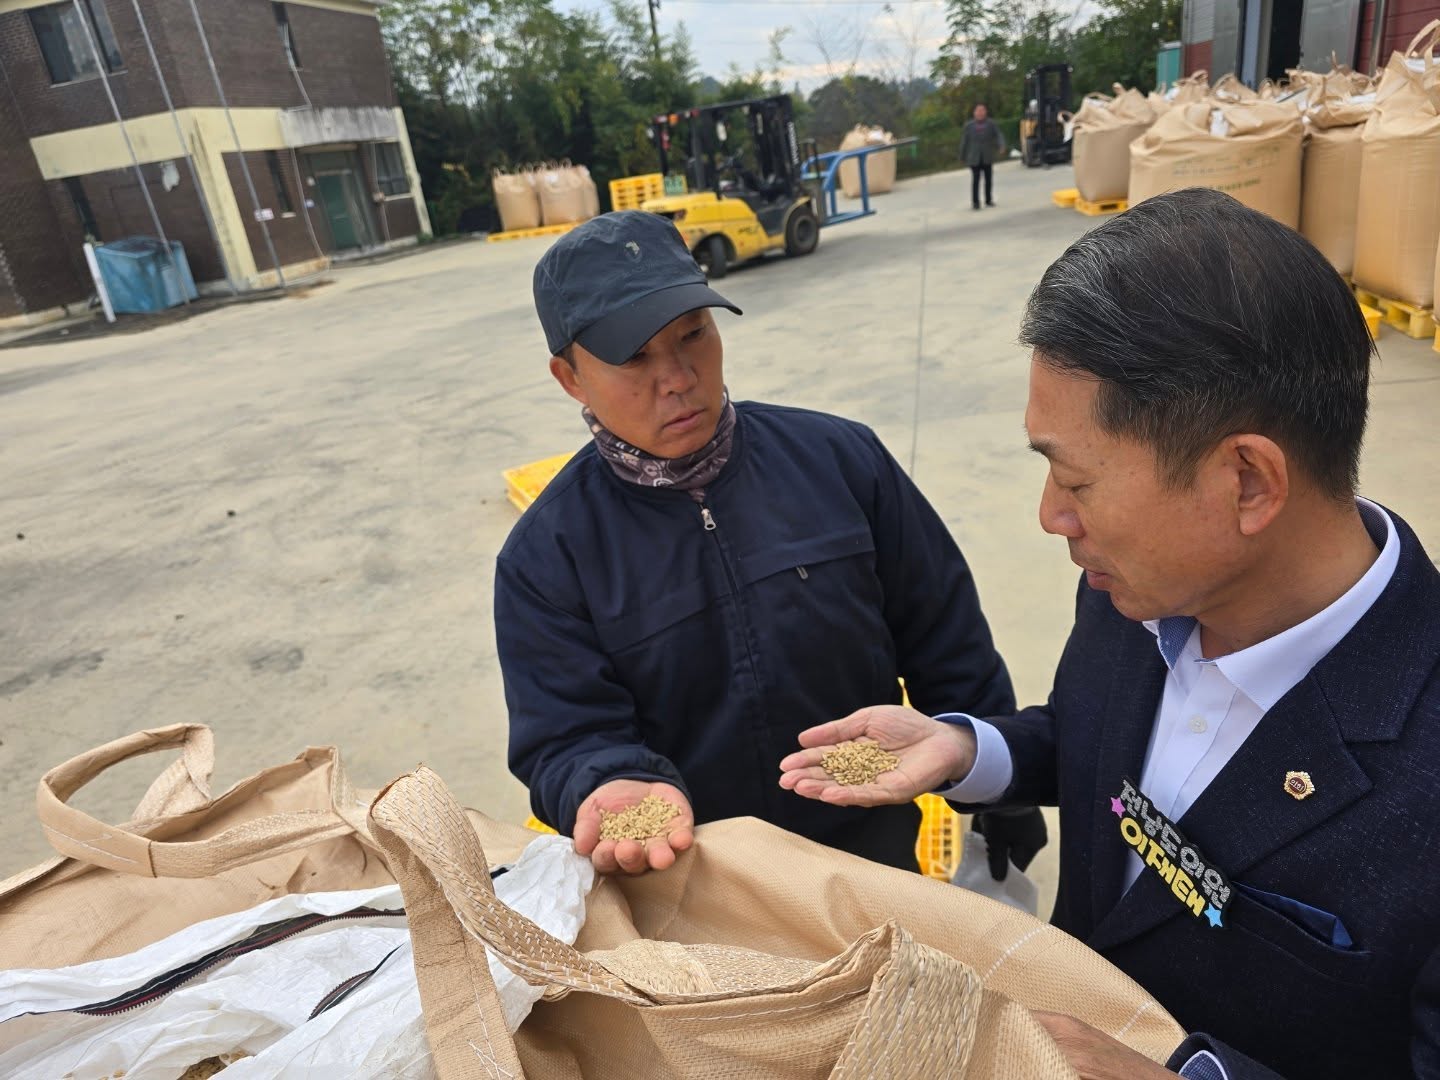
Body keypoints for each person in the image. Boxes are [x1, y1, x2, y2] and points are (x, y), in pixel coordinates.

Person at [781, 189, 1440, 1079]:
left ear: (1247, 481)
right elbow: (1101, 747)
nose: (1051, 516)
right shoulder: (1134, 592)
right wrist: (968, 751)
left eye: (1077, 481)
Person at [496, 209, 1035, 879]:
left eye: (694, 334)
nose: (678, 377)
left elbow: (946, 638)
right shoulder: (547, 556)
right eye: (634, 357)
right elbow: (567, 733)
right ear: (570, 377)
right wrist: (607, 778)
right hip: (693, 882)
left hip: (870, 859)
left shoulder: (841, 461)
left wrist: (996, 780)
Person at [959, 103, 1005, 210]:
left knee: (988, 179)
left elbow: (999, 135)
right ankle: (975, 202)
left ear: (985, 112)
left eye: (982, 110)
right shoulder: (969, 126)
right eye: (978, 111)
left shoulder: (991, 124)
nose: (980, 113)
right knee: (976, 180)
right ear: (974, 113)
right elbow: (964, 141)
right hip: (974, 157)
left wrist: (1001, 145)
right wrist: (962, 156)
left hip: (987, 156)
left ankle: (988, 200)